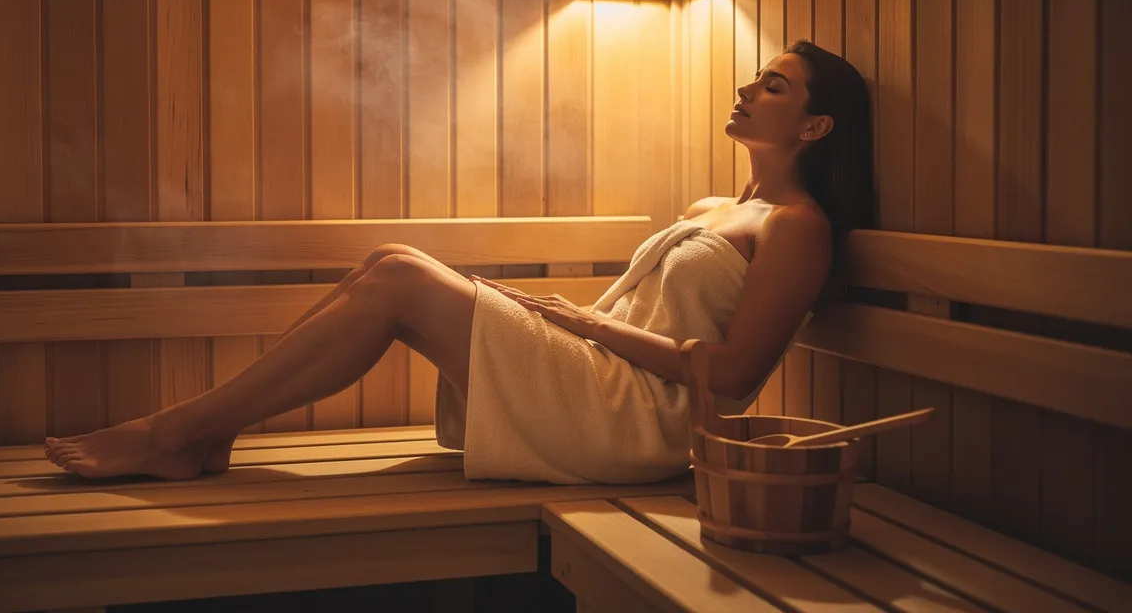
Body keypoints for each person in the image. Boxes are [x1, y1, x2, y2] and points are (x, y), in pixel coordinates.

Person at [44, 40, 875, 483]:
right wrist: (578, 329)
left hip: (641, 424)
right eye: (756, 77)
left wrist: (582, 322)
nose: (747, 88)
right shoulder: (714, 208)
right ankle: (198, 433)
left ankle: (178, 434)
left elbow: (728, 380)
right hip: (595, 375)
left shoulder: (798, 228)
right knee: (391, 262)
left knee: (402, 273)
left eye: (773, 85)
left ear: (815, 127)